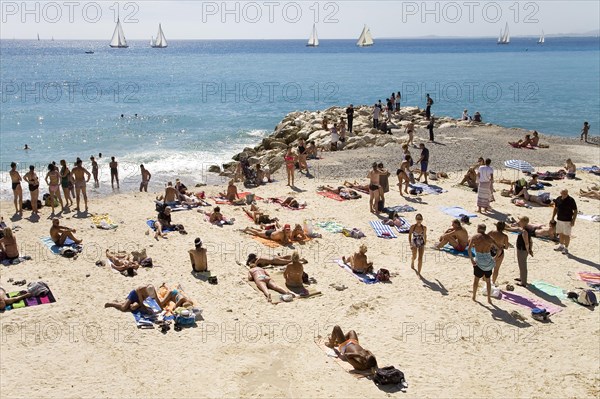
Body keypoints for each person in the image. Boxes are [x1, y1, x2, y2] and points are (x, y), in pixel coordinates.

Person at [468, 224, 498, 304]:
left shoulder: (474, 237)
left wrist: (471, 259)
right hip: (488, 260)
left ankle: (474, 296)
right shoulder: (489, 238)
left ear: (478, 229)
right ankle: (489, 298)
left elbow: (469, 249)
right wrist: (495, 257)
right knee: (488, 281)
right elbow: (498, 248)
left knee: (476, 280)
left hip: (479, 260)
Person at [552, 189, 577, 255]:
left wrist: (573, 220)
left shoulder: (571, 200)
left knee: (567, 235)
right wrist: (552, 217)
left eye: (565, 194)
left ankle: (566, 248)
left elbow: (575, 210)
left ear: (567, 193)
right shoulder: (558, 199)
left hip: (567, 220)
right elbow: (556, 208)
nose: (564, 195)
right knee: (560, 233)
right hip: (559, 219)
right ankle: (561, 246)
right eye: (563, 193)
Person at [514, 217, 534, 287]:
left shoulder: (525, 231)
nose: (519, 221)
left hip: (523, 250)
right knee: (521, 264)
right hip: (522, 249)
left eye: (520, 220)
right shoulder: (526, 229)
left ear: (523, 222)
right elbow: (530, 240)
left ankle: (523, 282)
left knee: (523, 266)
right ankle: (521, 278)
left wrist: (528, 250)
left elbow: (527, 243)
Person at [488, 221, 509, 286]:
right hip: (499, 252)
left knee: (486, 266)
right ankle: (493, 282)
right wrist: (503, 246)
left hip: (490, 250)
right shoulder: (505, 236)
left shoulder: (491, 232)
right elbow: (507, 247)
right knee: (496, 269)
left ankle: (485, 279)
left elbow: (485, 238)